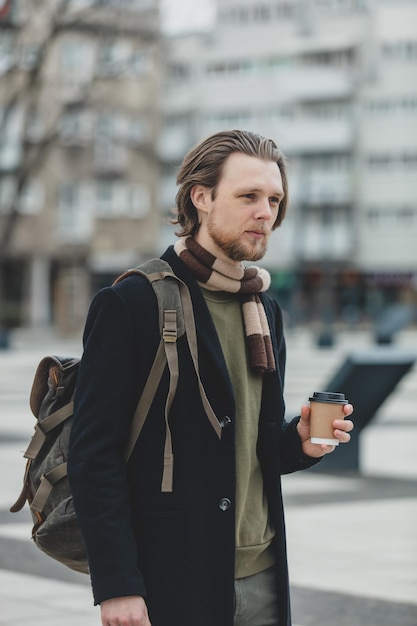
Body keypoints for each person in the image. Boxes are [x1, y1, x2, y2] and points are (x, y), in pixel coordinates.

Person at [67, 129, 354, 626]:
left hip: (262, 573)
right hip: (173, 577)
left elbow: (247, 446)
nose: (266, 213)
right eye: (248, 196)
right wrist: (117, 585)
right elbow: (93, 455)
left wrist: (300, 443)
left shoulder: (264, 309)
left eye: (274, 199)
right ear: (201, 198)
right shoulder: (130, 303)